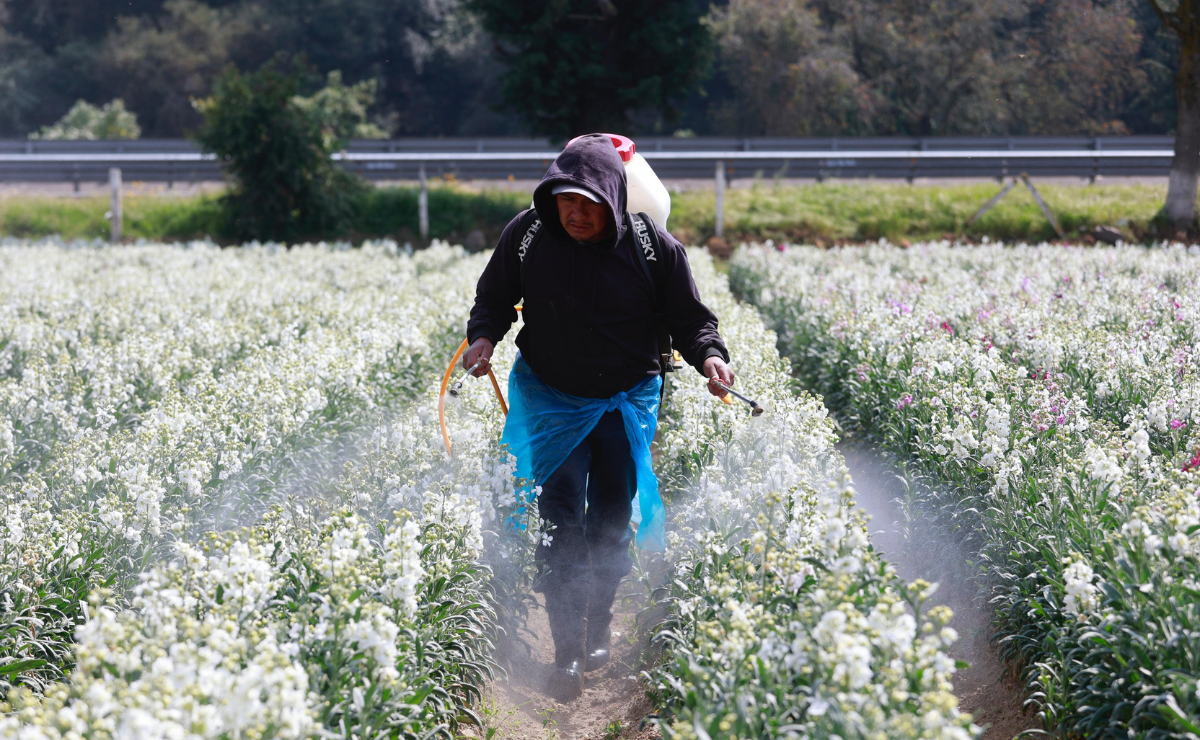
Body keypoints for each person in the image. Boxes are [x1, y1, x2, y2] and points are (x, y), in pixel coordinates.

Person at [463, 134, 734, 701]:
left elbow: (689, 319)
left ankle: (600, 624)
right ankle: (566, 649)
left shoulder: (651, 247)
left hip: (624, 404)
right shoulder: (528, 235)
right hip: (552, 401)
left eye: (588, 203)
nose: (575, 213)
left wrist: (710, 358)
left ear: (613, 198)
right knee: (559, 517)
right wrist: (483, 338)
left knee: (611, 517)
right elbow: (493, 297)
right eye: (565, 200)